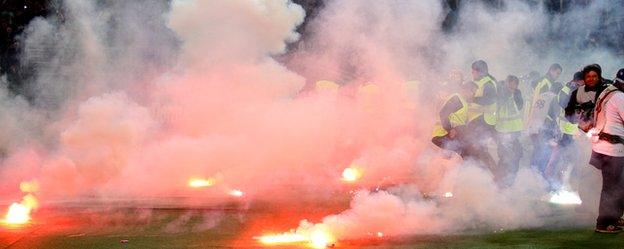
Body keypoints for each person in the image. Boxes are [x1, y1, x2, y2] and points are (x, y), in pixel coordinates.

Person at [587, 68, 624, 233]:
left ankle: (615, 217)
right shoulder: (620, 97)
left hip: (602, 146)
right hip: (612, 149)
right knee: (612, 187)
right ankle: (604, 223)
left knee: (617, 185)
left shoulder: (606, 91)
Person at [545, 71, 583, 191]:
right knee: (557, 159)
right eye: (583, 82)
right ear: (577, 81)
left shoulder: (575, 90)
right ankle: (550, 186)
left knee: (567, 159)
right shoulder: (567, 91)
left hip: (571, 132)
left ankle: (558, 185)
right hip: (563, 132)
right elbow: (567, 109)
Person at [465, 60, 497, 175]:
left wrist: (472, 99)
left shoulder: (488, 84)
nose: (472, 74)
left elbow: (489, 100)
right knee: (478, 149)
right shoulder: (481, 82)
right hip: (477, 120)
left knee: (480, 149)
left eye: (473, 71)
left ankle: (495, 175)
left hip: (483, 121)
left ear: (480, 71)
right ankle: (483, 175)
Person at [431, 81, 477, 158]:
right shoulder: (457, 98)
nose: (473, 95)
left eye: (474, 92)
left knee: (466, 152)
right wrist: (450, 129)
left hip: (452, 133)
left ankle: (469, 167)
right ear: (465, 90)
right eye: (472, 91)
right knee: (467, 152)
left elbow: (460, 121)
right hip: (443, 133)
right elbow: (443, 113)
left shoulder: (464, 102)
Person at [495, 75, 524, 187]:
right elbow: (499, 102)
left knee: (517, 154)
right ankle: (500, 181)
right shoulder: (501, 92)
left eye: (516, 84)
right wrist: (507, 92)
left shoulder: (517, 93)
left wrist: (515, 93)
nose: (514, 86)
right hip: (503, 130)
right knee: (504, 156)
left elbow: (520, 105)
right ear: (507, 83)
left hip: (515, 130)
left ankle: (510, 181)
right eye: (511, 84)